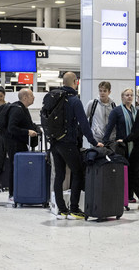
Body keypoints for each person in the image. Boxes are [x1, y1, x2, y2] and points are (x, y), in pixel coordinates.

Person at [51, 72, 103, 220]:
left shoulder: (55, 98)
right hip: (68, 143)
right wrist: (94, 142)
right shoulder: (74, 100)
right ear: (75, 82)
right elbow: (84, 124)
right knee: (78, 172)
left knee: (60, 175)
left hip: (55, 143)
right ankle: (74, 209)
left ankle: (61, 210)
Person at [103, 88, 136, 202]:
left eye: (131, 95)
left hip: (134, 145)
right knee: (123, 170)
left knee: (133, 170)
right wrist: (104, 142)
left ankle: (130, 195)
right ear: (122, 97)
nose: (129, 97)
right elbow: (109, 128)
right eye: (127, 95)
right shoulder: (117, 111)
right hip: (121, 146)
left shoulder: (135, 111)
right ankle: (123, 194)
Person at [5, 88, 38, 202]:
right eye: (31, 96)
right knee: (14, 167)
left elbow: (25, 123)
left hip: (20, 143)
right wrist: (27, 132)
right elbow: (11, 128)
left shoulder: (23, 109)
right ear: (25, 97)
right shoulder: (17, 110)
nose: (33, 97)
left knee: (18, 167)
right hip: (14, 143)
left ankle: (18, 191)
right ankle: (12, 194)